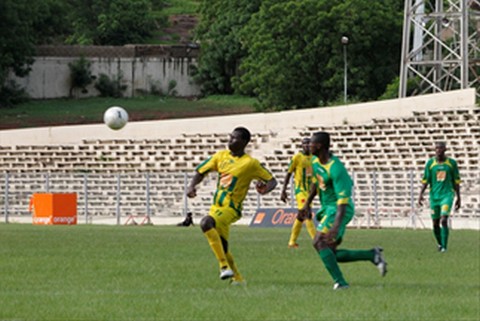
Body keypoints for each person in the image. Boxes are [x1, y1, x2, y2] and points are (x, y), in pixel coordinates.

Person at [187, 127, 277, 284]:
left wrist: (265, 190)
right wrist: (191, 186)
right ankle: (238, 278)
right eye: (230, 137)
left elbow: (272, 181)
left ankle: (223, 267)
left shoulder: (250, 163)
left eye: (234, 138)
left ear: (244, 142)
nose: (230, 141)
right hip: (216, 206)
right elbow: (200, 171)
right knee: (222, 245)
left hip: (232, 208)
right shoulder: (220, 156)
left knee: (206, 223)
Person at [300, 131, 387, 290]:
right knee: (330, 252)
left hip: (339, 210)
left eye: (311, 143)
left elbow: (343, 202)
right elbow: (315, 183)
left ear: (319, 146)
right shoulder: (315, 161)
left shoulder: (336, 168)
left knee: (319, 241)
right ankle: (372, 255)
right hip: (327, 208)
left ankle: (341, 283)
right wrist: (307, 204)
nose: (308, 146)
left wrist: (335, 226)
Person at [418, 141, 461, 253]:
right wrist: (420, 195)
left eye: (440, 148)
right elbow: (425, 180)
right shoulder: (430, 164)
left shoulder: (451, 163)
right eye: (436, 148)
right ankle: (440, 244)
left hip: (447, 195)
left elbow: (456, 181)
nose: (438, 150)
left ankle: (444, 247)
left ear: (445, 149)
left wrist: (458, 198)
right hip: (434, 197)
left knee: (444, 219)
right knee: (435, 223)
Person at [280, 137, 316, 248]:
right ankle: (317, 240)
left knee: (301, 216)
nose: (306, 146)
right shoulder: (297, 157)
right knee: (307, 213)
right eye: (304, 144)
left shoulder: (314, 158)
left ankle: (292, 242)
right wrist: (284, 190)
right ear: (301, 146)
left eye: (308, 144)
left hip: (309, 191)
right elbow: (289, 173)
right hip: (300, 190)